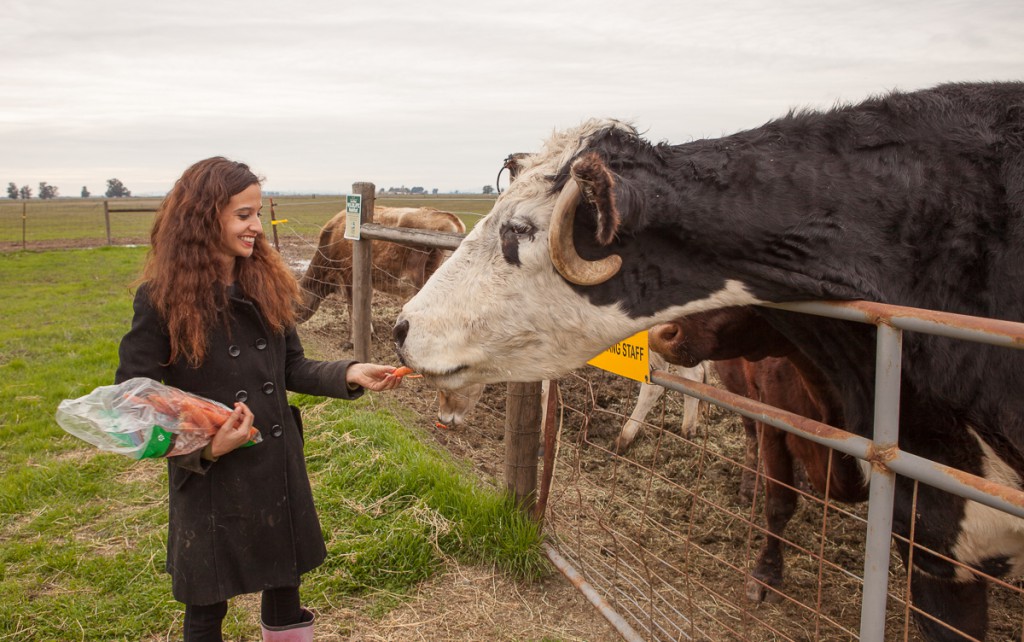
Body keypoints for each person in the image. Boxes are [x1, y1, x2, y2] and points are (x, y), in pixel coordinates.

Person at [115, 157, 403, 642]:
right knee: (206, 608)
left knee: (285, 588)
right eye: (242, 215)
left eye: (256, 214)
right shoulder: (161, 299)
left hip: (274, 463)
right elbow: (136, 401)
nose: (255, 227)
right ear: (205, 217)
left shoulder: (266, 283)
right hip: (209, 478)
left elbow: (290, 367)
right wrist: (206, 447)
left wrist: (350, 372)